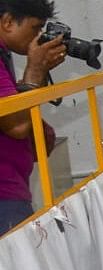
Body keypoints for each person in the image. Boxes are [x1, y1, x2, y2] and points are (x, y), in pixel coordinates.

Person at [0, 0, 64, 234]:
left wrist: (39, 71)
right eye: (36, 28)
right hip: (3, 195)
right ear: (8, 22)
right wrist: (35, 71)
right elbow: (17, 124)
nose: (39, 36)